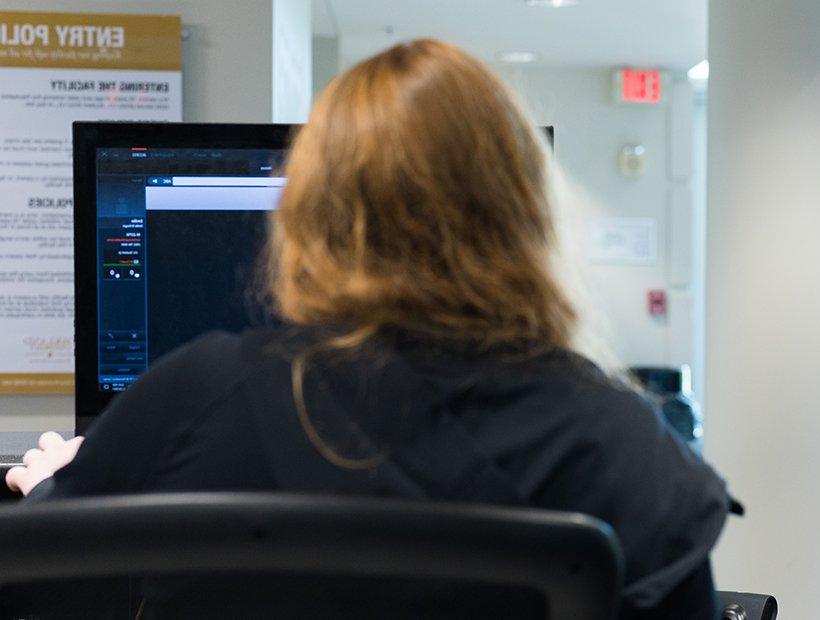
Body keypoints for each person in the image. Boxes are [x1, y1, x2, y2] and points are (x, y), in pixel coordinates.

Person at [6, 39, 731, 620]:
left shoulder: (197, 396)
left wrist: (53, 504)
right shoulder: (623, 446)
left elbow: (40, 584)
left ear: (309, 219)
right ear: (525, 217)